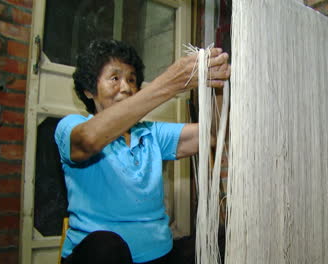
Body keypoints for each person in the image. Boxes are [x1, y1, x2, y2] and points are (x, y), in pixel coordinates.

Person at [54, 39, 230, 264]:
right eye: (115, 78)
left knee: (220, 238)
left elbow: (212, 133)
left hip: (159, 255)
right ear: (89, 90)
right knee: (106, 247)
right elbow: (88, 140)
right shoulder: (71, 126)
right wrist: (171, 82)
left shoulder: (150, 134)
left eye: (132, 79)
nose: (126, 87)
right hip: (101, 257)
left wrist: (218, 83)